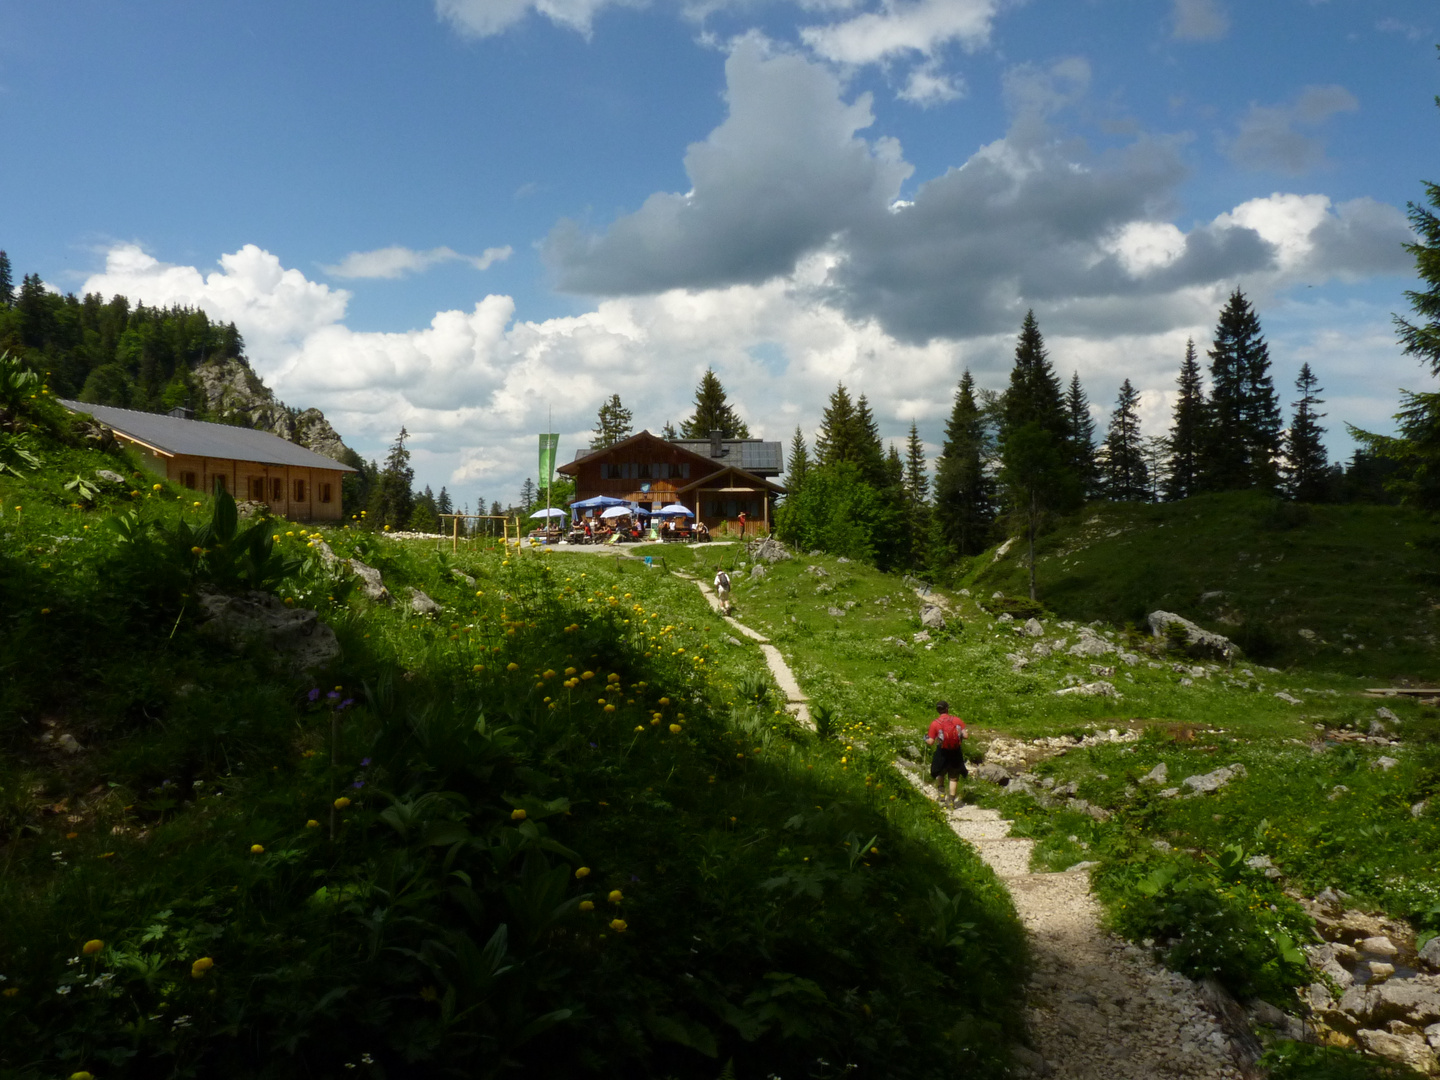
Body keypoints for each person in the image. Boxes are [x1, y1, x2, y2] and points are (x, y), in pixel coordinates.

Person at [925, 701, 968, 808]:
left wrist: (925, 738)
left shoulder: (935, 723)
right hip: (956, 751)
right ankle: (951, 800)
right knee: (954, 777)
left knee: (940, 771)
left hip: (942, 751)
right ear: (947, 709)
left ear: (937, 710)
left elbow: (930, 742)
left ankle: (941, 793)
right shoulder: (957, 720)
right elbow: (966, 735)